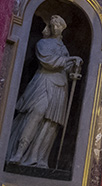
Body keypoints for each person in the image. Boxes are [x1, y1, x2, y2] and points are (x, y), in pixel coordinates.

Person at [7, 15, 82, 168]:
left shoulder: (64, 49)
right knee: (36, 114)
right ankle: (18, 153)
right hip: (44, 82)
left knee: (51, 124)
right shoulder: (43, 43)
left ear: (62, 28)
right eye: (53, 25)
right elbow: (48, 62)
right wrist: (71, 59)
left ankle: (38, 157)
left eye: (58, 25)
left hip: (60, 88)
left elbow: (66, 69)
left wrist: (74, 69)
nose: (55, 28)